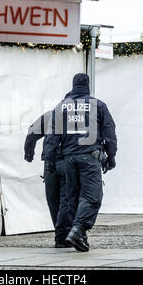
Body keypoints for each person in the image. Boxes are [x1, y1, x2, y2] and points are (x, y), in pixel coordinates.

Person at [45, 73, 117, 252]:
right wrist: (111, 155)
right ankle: (78, 230)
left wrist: (50, 159)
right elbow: (109, 132)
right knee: (92, 197)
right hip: (89, 157)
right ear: (88, 86)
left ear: (73, 85)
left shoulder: (61, 106)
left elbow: (52, 135)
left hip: (68, 158)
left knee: (73, 198)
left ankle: (79, 236)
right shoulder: (98, 105)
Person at [24, 110, 71, 248]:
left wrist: (29, 152)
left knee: (53, 199)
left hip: (50, 162)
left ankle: (60, 234)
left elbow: (32, 132)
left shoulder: (52, 114)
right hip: (68, 161)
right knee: (66, 199)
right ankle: (63, 236)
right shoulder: (81, 115)